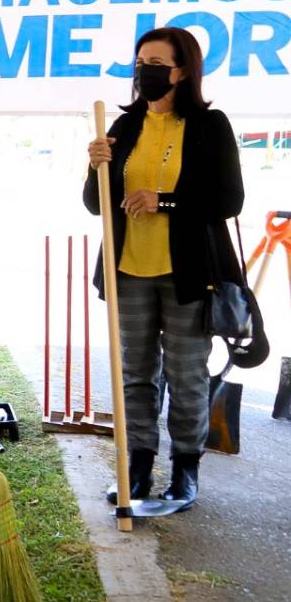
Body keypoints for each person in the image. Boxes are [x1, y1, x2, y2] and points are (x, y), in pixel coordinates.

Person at [85, 26, 244, 513]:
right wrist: (96, 168)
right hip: (129, 269)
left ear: (181, 71)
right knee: (135, 373)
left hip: (188, 272)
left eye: (155, 63)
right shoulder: (123, 127)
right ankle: (138, 463)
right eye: (139, 63)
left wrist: (165, 201)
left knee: (186, 373)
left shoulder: (208, 125)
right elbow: (96, 205)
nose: (144, 72)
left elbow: (228, 199)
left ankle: (185, 468)